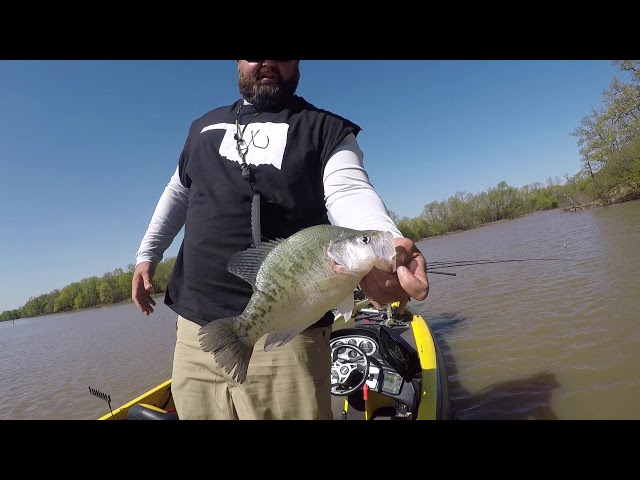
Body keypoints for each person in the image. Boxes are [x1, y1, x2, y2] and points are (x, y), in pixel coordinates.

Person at [131, 60, 429, 420]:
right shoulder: (201, 127)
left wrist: (389, 247)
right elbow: (178, 191)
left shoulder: (326, 129)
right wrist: (147, 254)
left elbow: (350, 191)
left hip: (289, 335)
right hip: (197, 331)